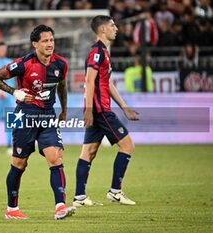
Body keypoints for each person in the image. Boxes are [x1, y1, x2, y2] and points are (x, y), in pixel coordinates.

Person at [0, 24, 76, 220]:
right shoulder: (23, 63)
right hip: (24, 116)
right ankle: (12, 210)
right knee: (19, 164)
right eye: (45, 41)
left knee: (56, 158)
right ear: (35, 43)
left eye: (52, 40)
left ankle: (60, 206)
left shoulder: (60, 64)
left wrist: (64, 110)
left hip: (47, 117)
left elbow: (62, 86)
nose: (50, 44)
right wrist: (15, 92)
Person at [72, 15, 139, 208]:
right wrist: (89, 110)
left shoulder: (104, 52)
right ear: (102, 30)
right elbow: (89, 81)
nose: (116, 28)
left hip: (100, 108)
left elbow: (106, 83)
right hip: (100, 110)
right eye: (112, 25)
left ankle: (79, 197)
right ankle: (115, 192)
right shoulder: (97, 52)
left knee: (89, 152)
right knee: (127, 146)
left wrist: (124, 108)